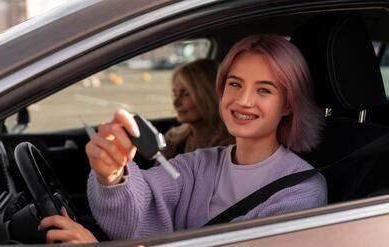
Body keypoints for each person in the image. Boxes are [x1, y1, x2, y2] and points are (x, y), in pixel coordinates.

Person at [39, 34, 327, 243]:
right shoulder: (199, 163)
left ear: (288, 104)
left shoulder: (302, 190)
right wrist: (112, 174)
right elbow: (139, 206)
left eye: (264, 90)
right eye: (235, 84)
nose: (244, 101)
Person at [162, 58, 233, 160]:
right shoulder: (173, 139)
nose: (176, 103)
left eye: (186, 94)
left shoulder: (230, 147)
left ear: (210, 95)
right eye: (175, 94)